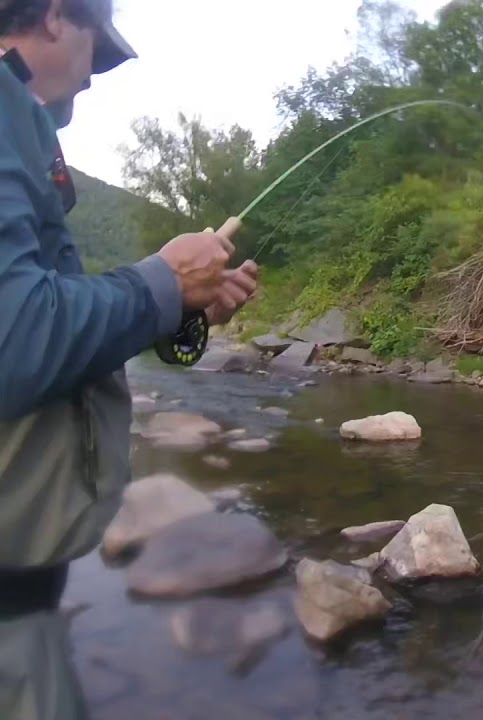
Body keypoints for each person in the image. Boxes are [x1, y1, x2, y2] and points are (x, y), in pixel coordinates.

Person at [0, 1, 258, 717]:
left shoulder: (20, 127)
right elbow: (15, 341)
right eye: (96, 47)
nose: (94, 75)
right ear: (55, 16)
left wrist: (178, 306)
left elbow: (49, 327)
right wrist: (162, 283)